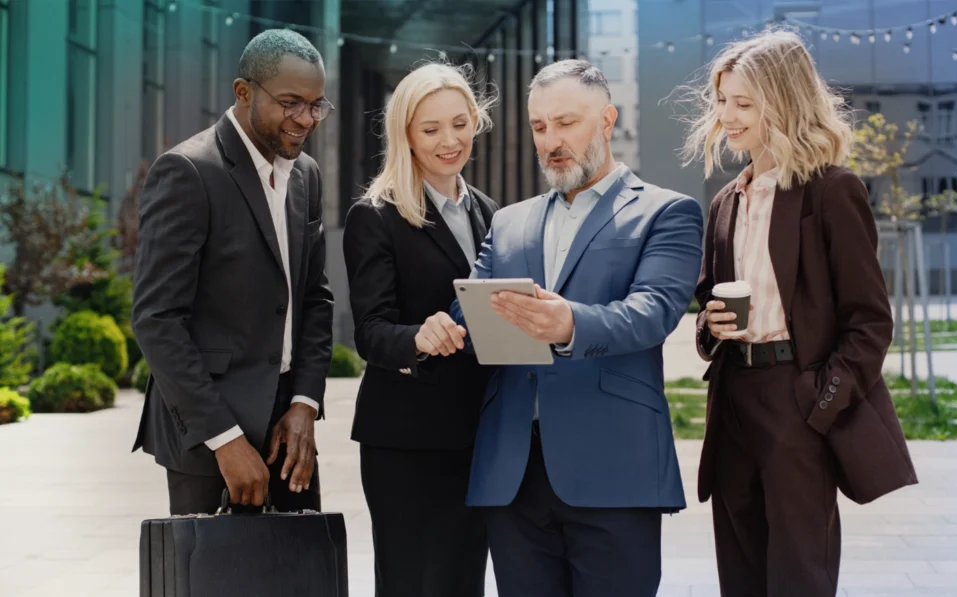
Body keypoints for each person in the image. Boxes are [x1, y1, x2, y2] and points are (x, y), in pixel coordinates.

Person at [439, 59, 704, 597]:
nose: (551, 140)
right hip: (513, 472)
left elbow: (654, 311)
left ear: (607, 120)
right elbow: (472, 309)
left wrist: (569, 325)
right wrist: (450, 322)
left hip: (613, 468)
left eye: (566, 123)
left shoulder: (666, 212)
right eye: (539, 127)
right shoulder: (508, 221)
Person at [682, 29, 918, 597]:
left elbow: (870, 322)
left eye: (744, 103)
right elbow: (710, 303)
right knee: (738, 572)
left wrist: (821, 403)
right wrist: (710, 328)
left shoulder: (832, 191)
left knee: (798, 575)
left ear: (784, 103)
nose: (727, 116)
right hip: (734, 395)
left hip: (799, 400)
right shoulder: (725, 201)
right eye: (722, 100)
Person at [131, 29, 335, 515]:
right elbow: (157, 319)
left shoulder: (305, 174)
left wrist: (305, 403)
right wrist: (224, 440)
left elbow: (314, 299)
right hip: (209, 435)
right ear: (243, 93)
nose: (305, 119)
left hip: (290, 432)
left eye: (315, 105)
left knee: (298, 579)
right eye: (291, 103)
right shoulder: (187, 171)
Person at [341, 62, 498, 597]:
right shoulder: (376, 214)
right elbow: (369, 330)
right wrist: (416, 337)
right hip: (406, 444)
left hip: (477, 436)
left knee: (465, 581)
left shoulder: (490, 214)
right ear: (405, 134)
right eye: (431, 129)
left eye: (459, 124)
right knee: (414, 583)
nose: (449, 141)